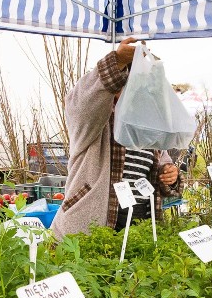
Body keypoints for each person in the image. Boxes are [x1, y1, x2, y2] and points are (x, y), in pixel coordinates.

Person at [50, 37, 183, 239]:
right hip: (91, 227)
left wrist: (169, 174)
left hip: (139, 226)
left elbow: (163, 164)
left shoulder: (147, 126)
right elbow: (79, 106)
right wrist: (117, 62)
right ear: (114, 91)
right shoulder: (95, 122)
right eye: (125, 87)